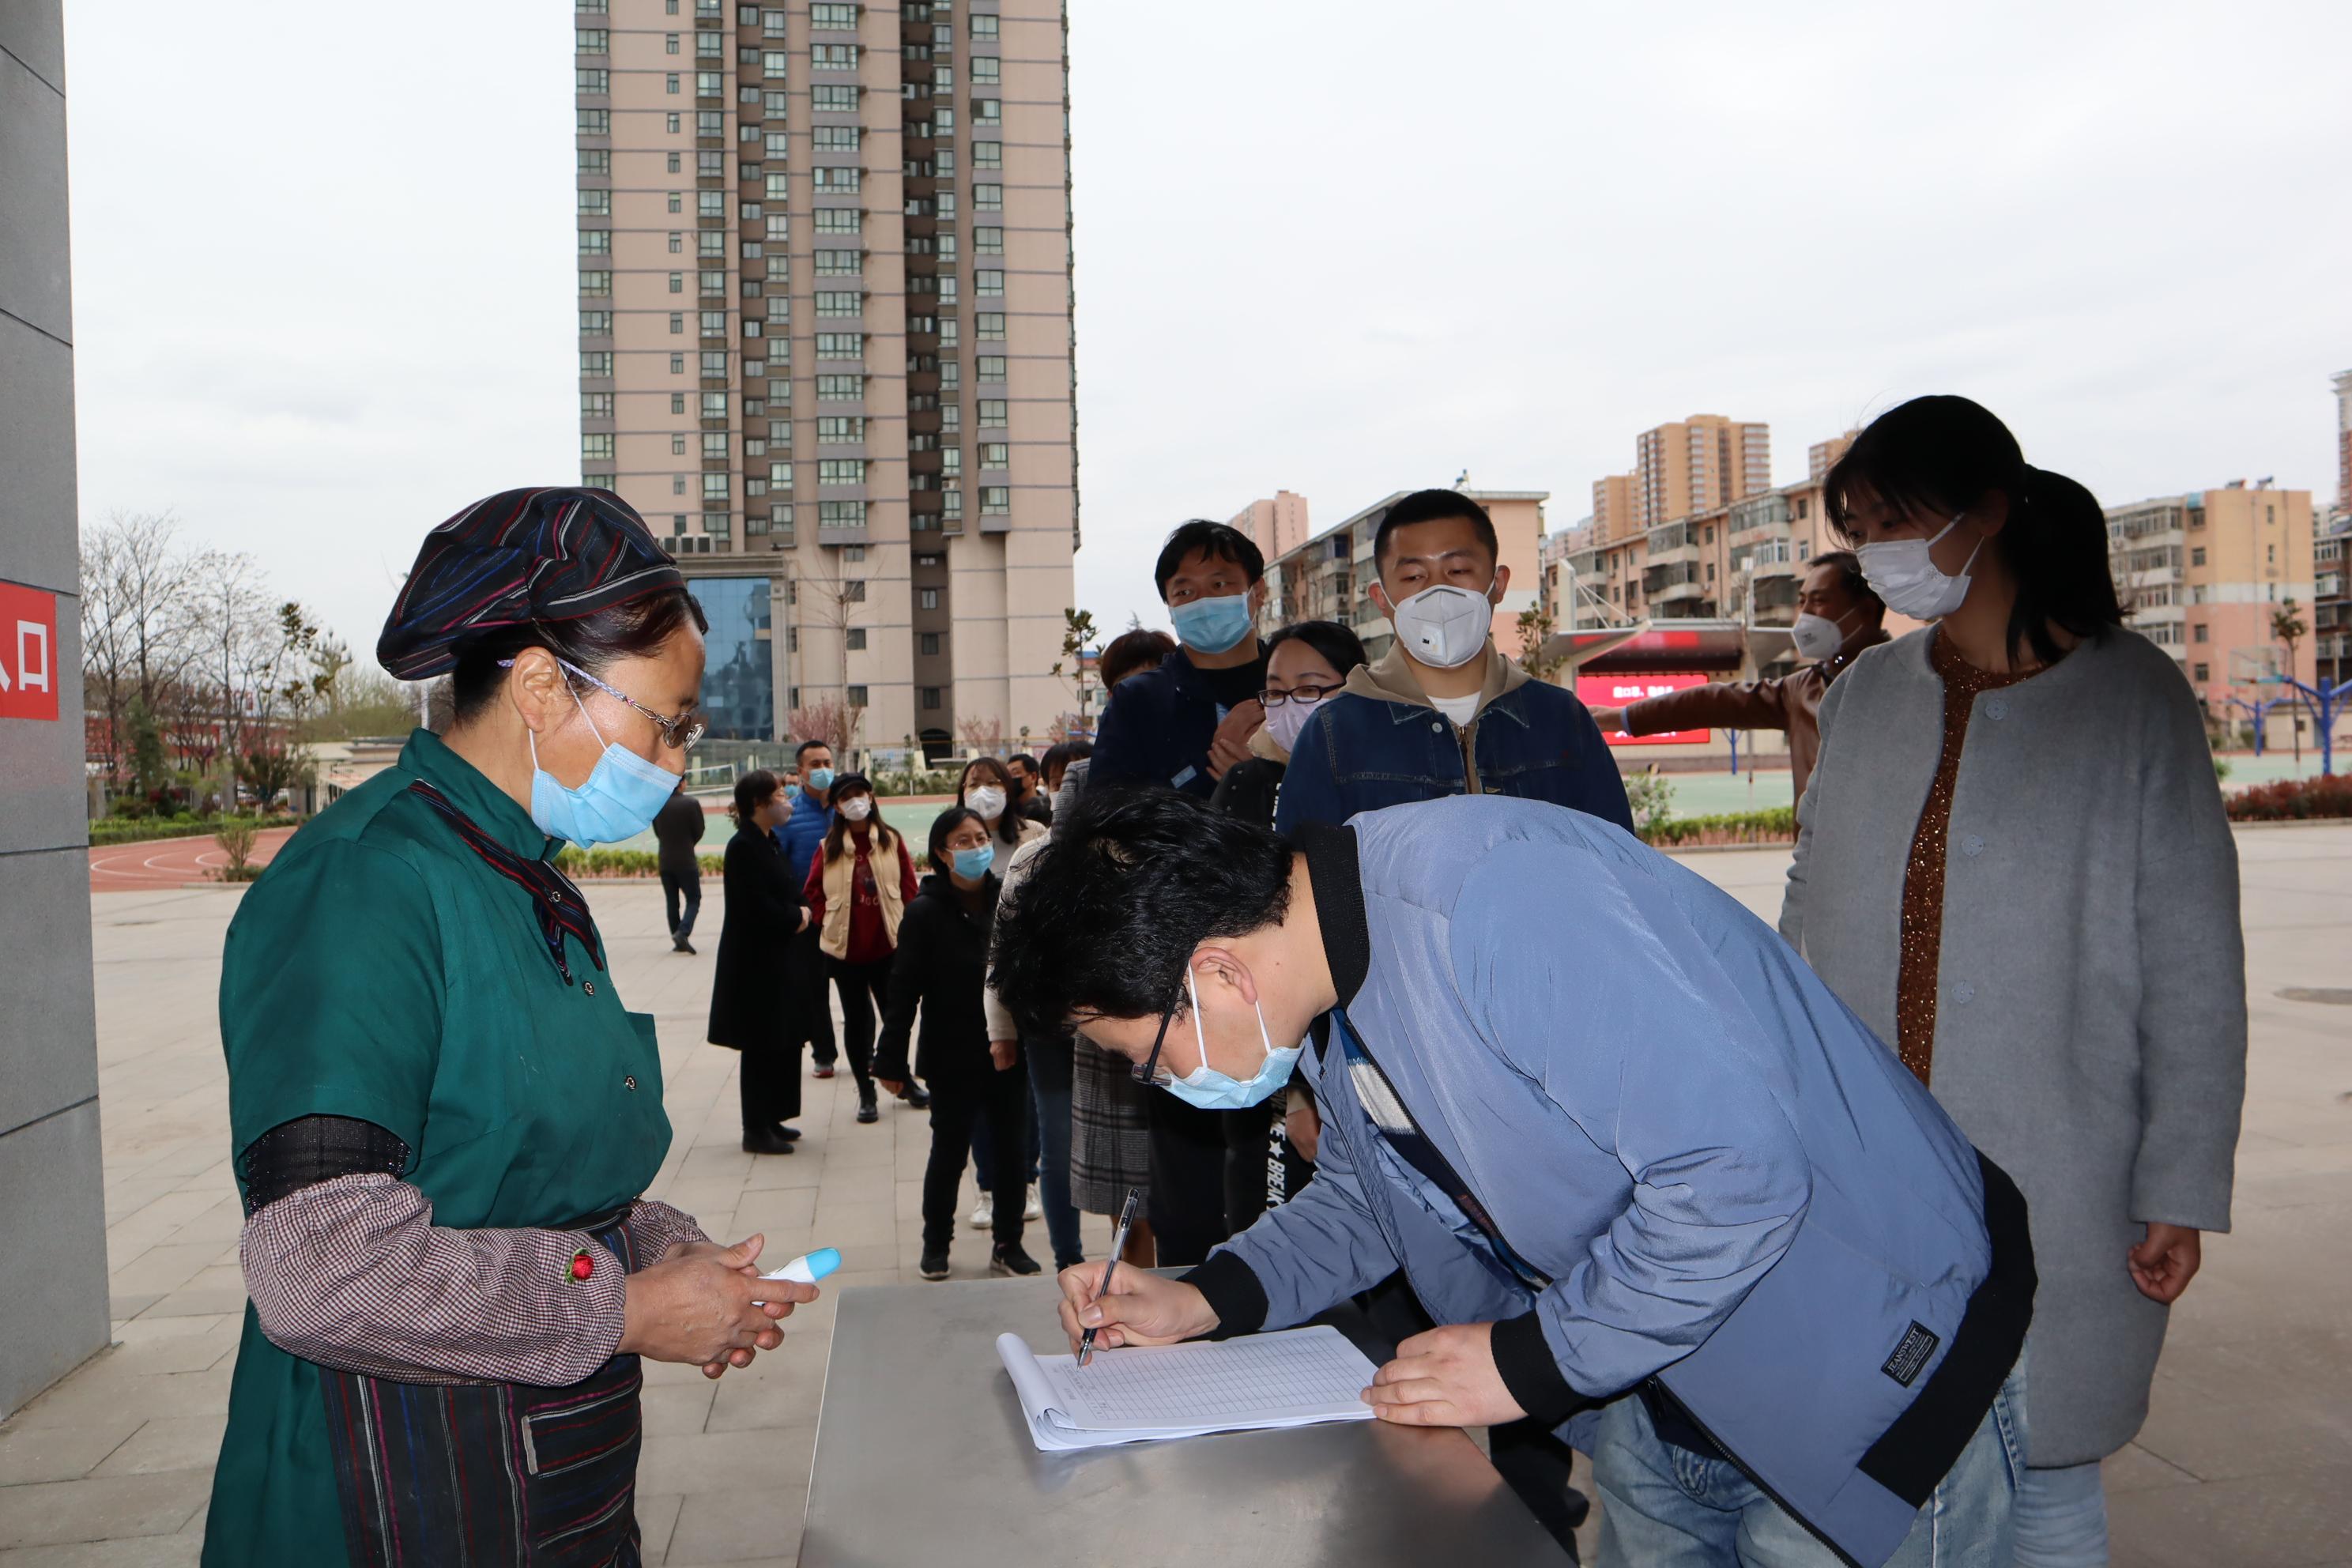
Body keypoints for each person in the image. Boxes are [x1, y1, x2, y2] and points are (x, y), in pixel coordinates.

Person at [993, 788, 2034, 1568]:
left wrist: (1535, 1363)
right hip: (1656, 1375)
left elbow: (1735, 1178)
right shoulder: (1329, 985)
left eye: (1145, 1054)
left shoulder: (1492, 902)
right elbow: (1374, 1199)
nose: (1156, 1082)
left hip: (1858, 1346)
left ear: (1218, 973)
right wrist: (1202, 1297)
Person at [205, 488, 816, 1566]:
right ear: (540, 686)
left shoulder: (516, 875)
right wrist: (620, 1310)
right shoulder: (367, 885)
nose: (675, 761)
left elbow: (514, 1166)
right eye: (663, 724)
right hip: (400, 1486)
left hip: (547, 1470)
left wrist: (662, 1251)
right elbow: (322, 1269)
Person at [1781, 394, 2246, 1568]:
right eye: (1861, 523)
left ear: (1988, 512)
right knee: (1871, 1478)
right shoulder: (1871, 696)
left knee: (2043, 1480)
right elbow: (1808, 907)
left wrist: (2179, 1181)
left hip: (2064, 1167)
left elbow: (2195, 962)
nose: (1880, 547)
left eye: (1899, 517)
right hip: (1870, 1169)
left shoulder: (2131, 700)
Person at [1275, 489, 1634, 837]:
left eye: (1458, 570)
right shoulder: (1334, 734)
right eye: (1414, 577)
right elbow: (1302, 884)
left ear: (1499, 584)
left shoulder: (1560, 720)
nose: (1438, 593)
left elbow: (1620, 862)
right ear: (1381, 600)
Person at [1207, 619, 1367, 1232]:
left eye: (1310, 689)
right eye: (1274, 692)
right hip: (1275, 1058)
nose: (1288, 707)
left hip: (1373, 1049)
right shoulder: (1248, 784)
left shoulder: (1381, 782)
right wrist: (1298, 1095)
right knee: (1274, 1226)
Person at [876, 807, 1040, 1281]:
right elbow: (903, 990)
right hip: (951, 1054)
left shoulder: (1008, 902)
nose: (975, 847)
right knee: (948, 1153)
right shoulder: (925, 913)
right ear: (942, 854)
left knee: (1012, 1153)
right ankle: (936, 1245)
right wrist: (890, 1058)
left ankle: (1008, 1244)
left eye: (979, 838)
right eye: (962, 841)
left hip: (1008, 1052)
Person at [1589, 552, 1887, 803]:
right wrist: (1622, 718)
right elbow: (1712, 701)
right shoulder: (1803, 688)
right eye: (1802, 601)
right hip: (1821, 862)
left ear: (1865, 611)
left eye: (1819, 601)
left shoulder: (1907, 682)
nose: (1805, 614)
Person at [1090, 521, 1271, 797]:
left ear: (1257, 591)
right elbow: (1107, 817)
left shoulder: (1298, 689)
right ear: (1170, 609)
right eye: (1184, 592)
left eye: (1219, 584)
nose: (1203, 601)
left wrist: (1265, 777)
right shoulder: (1137, 701)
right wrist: (1210, 765)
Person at [800, 772, 923, 1125]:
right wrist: (828, 920)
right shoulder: (829, 847)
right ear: (837, 806)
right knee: (857, 1023)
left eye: (859, 794)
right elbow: (813, 891)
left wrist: (909, 927)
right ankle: (865, 1092)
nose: (855, 802)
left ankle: (902, 1081)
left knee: (895, 1019)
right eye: (845, 797)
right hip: (845, 953)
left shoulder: (890, 840)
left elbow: (909, 887)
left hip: (889, 948)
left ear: (870, 796)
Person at [957, 755, 1045, 1230]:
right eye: (974, 782)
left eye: (993, 781)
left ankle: (1025, 1177)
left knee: (1025, 1093)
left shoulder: (1032, 836)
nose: (984, 790)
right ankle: (987, 1188)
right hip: (972, 989)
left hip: (1023, 987)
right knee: (982, 1094)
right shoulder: (955, 837)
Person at [708, 769, 807, 1155]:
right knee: (760, 1046)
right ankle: (755, 1128)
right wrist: (796, 917)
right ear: (758, 805)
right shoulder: (743, 847)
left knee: (780, 1040)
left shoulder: (769, 841)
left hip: (778, 959)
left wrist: (802, 910)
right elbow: (755, 907)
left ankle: (773, 1118)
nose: (787, 800)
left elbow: (789, 889)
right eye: (780, 794)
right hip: (754, 966)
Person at [777, 738, 838, 1076]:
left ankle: (872, 1055)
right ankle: (823, 1053)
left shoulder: (847, 810)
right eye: (815, 765)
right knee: (816, 990)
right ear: (800, 772)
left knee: (860, 989)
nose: (823, 770)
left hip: (850, 917)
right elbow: (781, 868)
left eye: (827, 762)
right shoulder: (788, 816)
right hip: (811, 920)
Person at [653, 776, 707, 952]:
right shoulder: (691, 803)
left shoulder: (659, 804)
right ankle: (683, 932)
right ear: (682, 784)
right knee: (694, 898)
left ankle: (677, 938)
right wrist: (688, 842)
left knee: (672, 901)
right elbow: (699, 830)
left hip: (665, 860)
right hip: (686, 860)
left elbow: (658, 831)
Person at [1005, 750, 1053, 827]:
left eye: (1015, 773)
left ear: (1033, 777)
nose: (1010, 779)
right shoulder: (1006, 812)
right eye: (1007, 775)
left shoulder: (1050, 807)